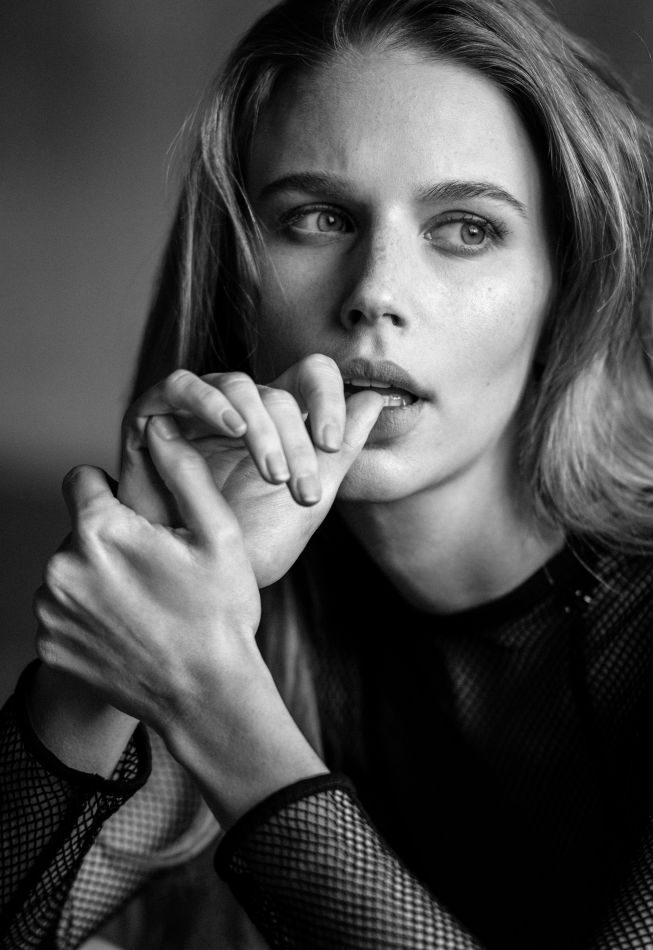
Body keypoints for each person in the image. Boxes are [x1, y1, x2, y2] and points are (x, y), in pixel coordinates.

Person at [2, 0, 653, 947]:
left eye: (467, 228)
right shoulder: (247, 602)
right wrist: (115, 640)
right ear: (234, 278)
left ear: (568, 284)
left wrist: (213, 703)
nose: (374, 294)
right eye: (318, 218)